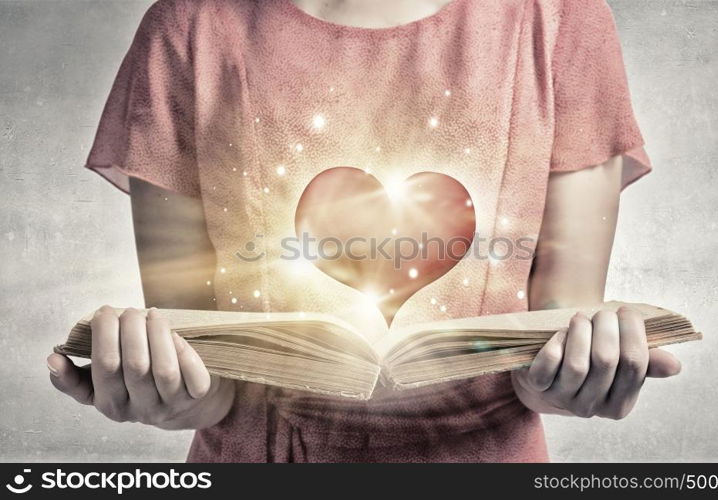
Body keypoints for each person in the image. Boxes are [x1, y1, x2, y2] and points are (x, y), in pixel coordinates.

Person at [46, 0, 682, 462]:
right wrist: (168, 393)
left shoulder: (561, 18)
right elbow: (203, 363)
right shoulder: (188, 28)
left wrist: (577, 378)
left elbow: (553, 333)